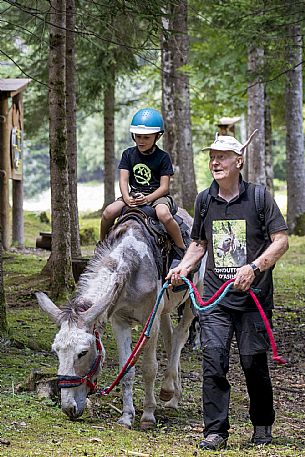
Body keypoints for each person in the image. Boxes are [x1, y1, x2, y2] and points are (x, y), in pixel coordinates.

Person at [166, 132, 289, 450]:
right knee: (214, 362)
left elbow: (281, 241)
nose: (215, 162)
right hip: (215, 300)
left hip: (253, 300)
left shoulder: (259, 198)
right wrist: (184, 267)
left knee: (253, 363)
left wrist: (255, 267)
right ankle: (216, 431)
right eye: (212, 156)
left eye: (222, 156)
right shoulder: (205, 200)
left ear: (239, 161)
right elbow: (199, 244)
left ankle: (262, 424)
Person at [100, 108, 185, 259]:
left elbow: (164, 187)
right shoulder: (128, 154)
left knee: (164, 215)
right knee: (108, 212)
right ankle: (102, 245)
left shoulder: (163, 157)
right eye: (138, 136)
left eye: (146, 137)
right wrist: (126, 197)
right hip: (133, 194)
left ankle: (180, 248)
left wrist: (147, 199)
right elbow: (123, 179)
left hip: (157, 196)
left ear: (157, 137)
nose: (141, 141)